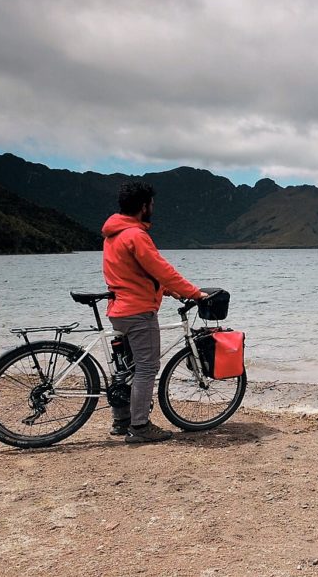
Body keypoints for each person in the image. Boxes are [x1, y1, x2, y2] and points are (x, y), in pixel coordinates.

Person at [102, 181, 207, 444]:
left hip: (119, 309)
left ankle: (121, 419)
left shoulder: (113, 234)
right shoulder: (136, 235)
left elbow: (135, 274)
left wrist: (166, 291)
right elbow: (161, 269)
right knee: (148, 368)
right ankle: (140, 427)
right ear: (143, 206)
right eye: (151, 204)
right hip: (138, 312)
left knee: (127, 368)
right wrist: (195, 292)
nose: (153, 208)